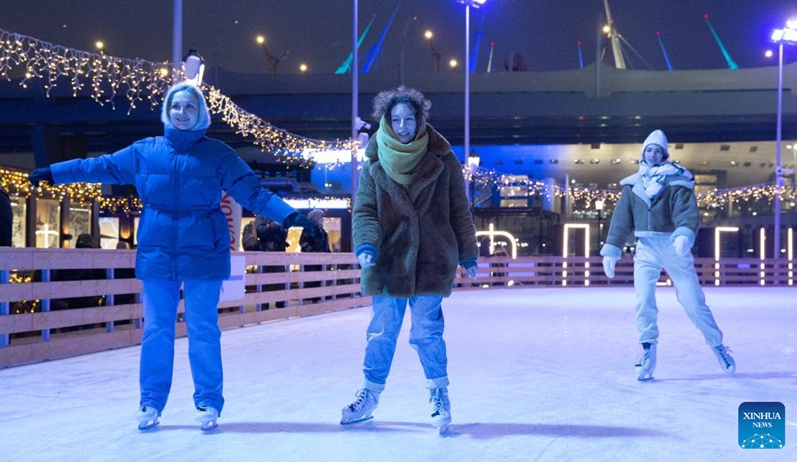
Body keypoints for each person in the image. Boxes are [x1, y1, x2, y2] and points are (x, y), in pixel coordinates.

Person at [28, 82, 318, 431]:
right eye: (176, 107)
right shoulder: (144, 152)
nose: (182, 113)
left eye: (190, 108)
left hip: (204, 255)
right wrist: (56, 172)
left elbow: (253, 192)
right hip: (158, 255)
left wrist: (289, 215)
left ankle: (208, 402)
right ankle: (150, 402)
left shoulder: (219, 155)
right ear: (168, 111)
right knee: (156, 331)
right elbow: (100, 167)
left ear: (200, 114)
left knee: (203, 329)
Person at [341, 86, 479, 433]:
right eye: (396, 120)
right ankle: (370, 395)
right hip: (388, 260)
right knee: (381, 332)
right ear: (387, 122)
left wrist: (468, 252)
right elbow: (365, 212)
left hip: (433, 258)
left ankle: (438, 393)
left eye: (409, 119)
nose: (403, 126)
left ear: (420, 120)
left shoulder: (443, 159)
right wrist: (367, 246)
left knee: (427, 332)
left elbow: (459, 210)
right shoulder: (374, 163)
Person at [600, 129, 735, 381]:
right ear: (643, 153)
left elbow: (687, 212)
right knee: (643, 301)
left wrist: (684, 233)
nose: (652, 155)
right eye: (648, 150)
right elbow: (621, 220)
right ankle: (648, 351)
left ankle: (717, 345)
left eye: (657, 151)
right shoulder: (632, 185)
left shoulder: (677, 181)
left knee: (693, 301)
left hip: (674, 248)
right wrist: (613, 248)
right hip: (646, 249)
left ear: (664, 154)